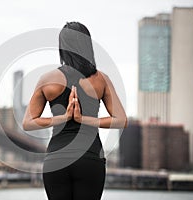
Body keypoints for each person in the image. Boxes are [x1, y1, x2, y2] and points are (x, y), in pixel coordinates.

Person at [22, 22, 127, 200]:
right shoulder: (101, 80)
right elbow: (121, 120)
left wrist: (62, 118)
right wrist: (84, 119)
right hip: (90, 159)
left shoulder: (47, 79)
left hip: (56, 160)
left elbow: (28, 123)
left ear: (62, 47)